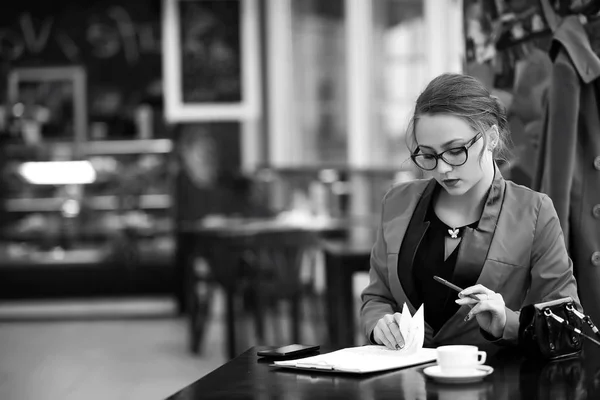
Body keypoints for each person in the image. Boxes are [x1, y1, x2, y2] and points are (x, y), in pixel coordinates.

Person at [360, 73, 581, 351]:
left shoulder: (534, 212)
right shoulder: (398, 201)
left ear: (491, 136)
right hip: (409, 384)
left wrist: (506, 323)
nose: (442, 169)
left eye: (454, 151)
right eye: (427, 155)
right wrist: (379, 322)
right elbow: (377, 297)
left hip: (497, 387)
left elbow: (567, 325)